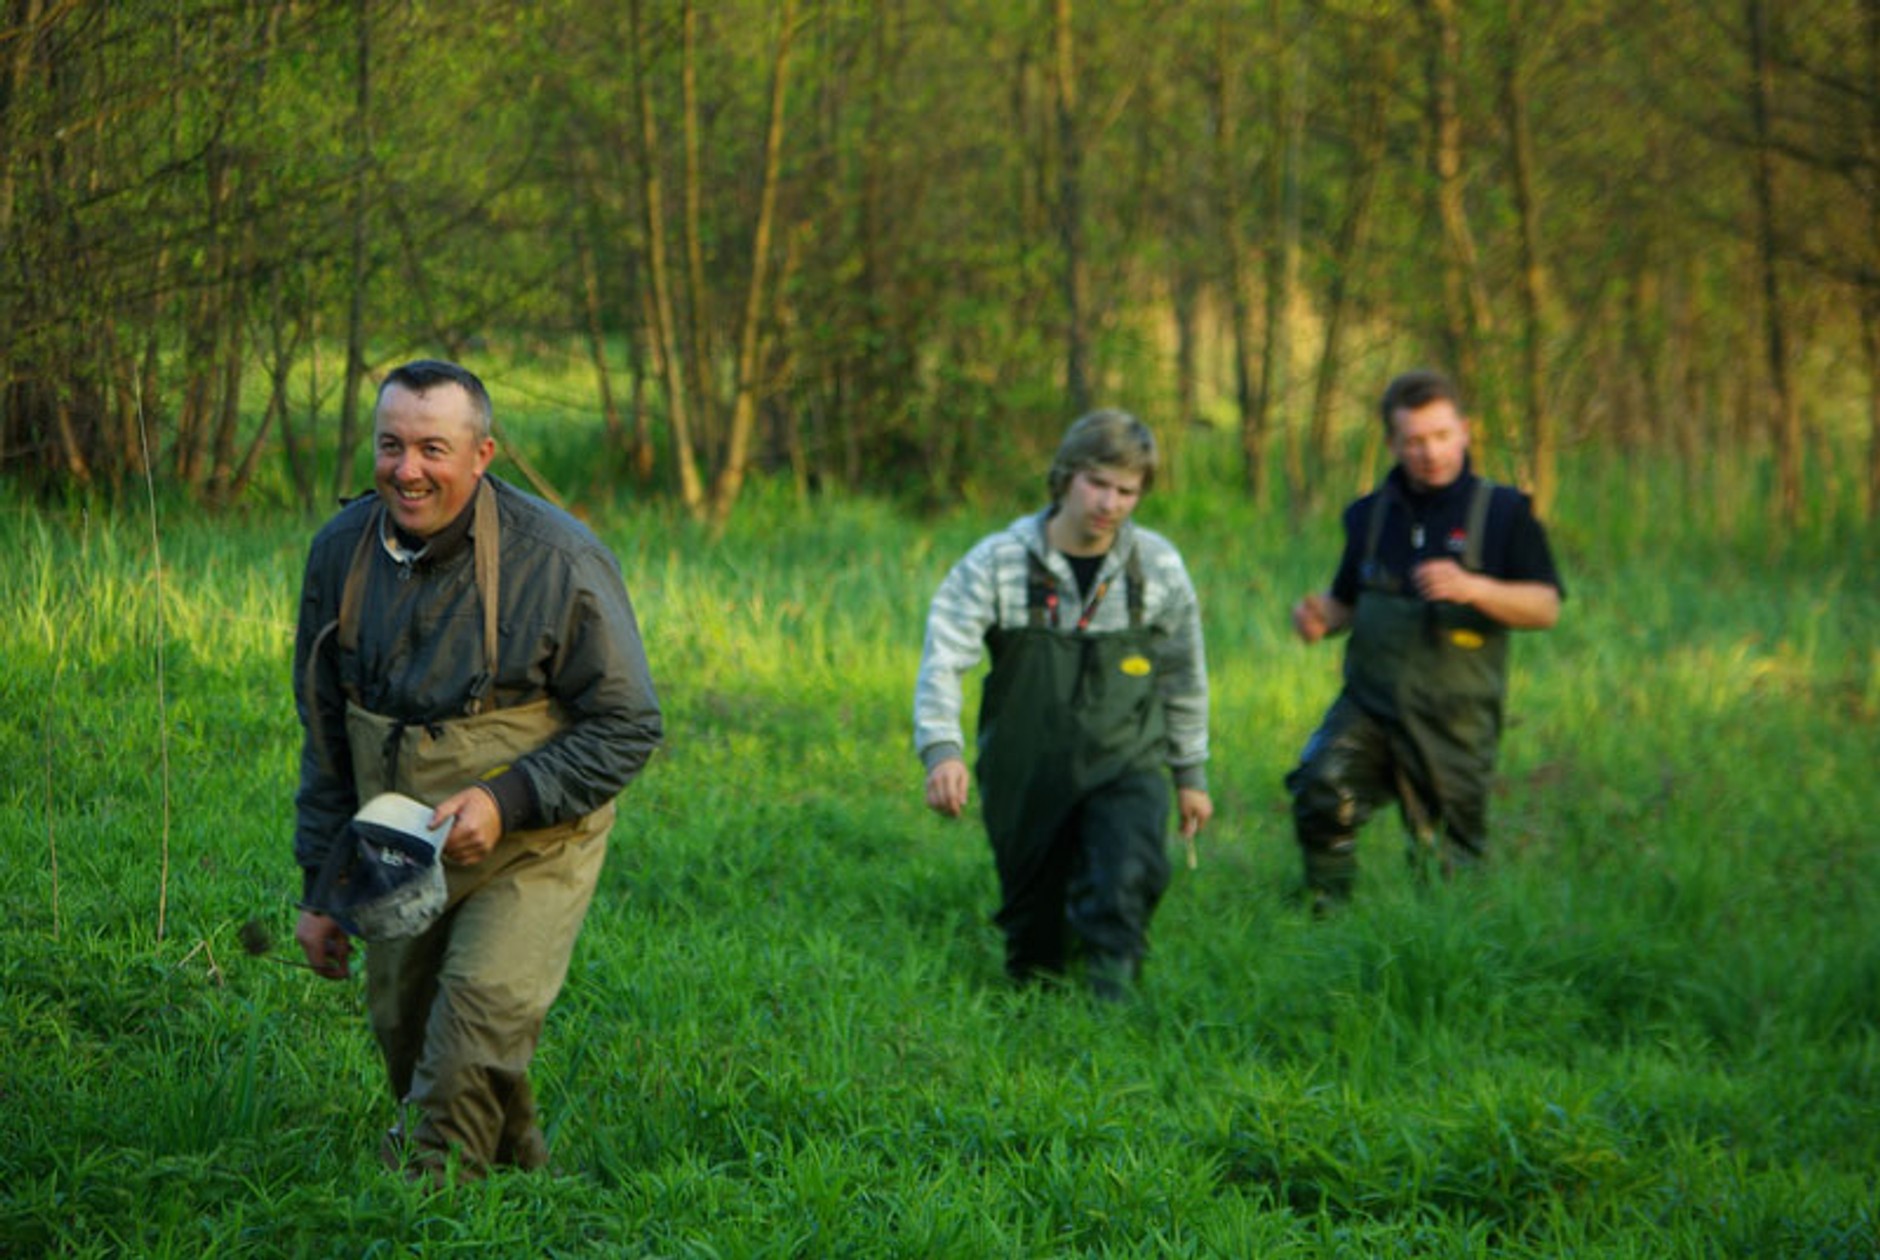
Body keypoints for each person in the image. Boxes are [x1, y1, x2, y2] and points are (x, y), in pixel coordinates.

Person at [291, 359, 663, 1182]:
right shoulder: (337, 554)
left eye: (433, 448)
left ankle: (423, 1212)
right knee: (412, 1037)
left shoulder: (560, 559)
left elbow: (630, 723)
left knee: (478, 1020)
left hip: (536, 838)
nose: (407, 470)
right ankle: (528, 1189)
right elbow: (324, 734)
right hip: (398, 845)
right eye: (391, 446)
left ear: (482, 454)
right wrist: (322, 888)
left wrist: (505, 799)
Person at [914, 409, 1212, 1000]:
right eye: (1097, 484)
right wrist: (941, 751)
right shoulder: (996, 561)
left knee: (1129, 874)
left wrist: (1189, 773)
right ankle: (1040, 1011)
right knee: (1034, 944)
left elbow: (1184, 673)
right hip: (1026, 769)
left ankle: (1113, 1008)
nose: (1110, 503)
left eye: (1127, 491)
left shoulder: (1157, 566)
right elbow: (943, 659)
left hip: (1126, 759)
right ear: (1065, 476)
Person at [1286, 368, 1562, 908]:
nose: (1429, 452)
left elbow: (1545, 607)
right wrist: (1320, 618)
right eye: (1413, 440)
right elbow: (1347, 602)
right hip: (1369, 704)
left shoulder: (1506, 512)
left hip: (1454, 713)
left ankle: (1439, 951)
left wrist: (1473, 587)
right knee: (1321, 787)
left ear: (1464, 430)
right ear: (1392, 442)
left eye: (1440, 435)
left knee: (1446, 861)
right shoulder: (1368, 516)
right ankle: (1326, 918)